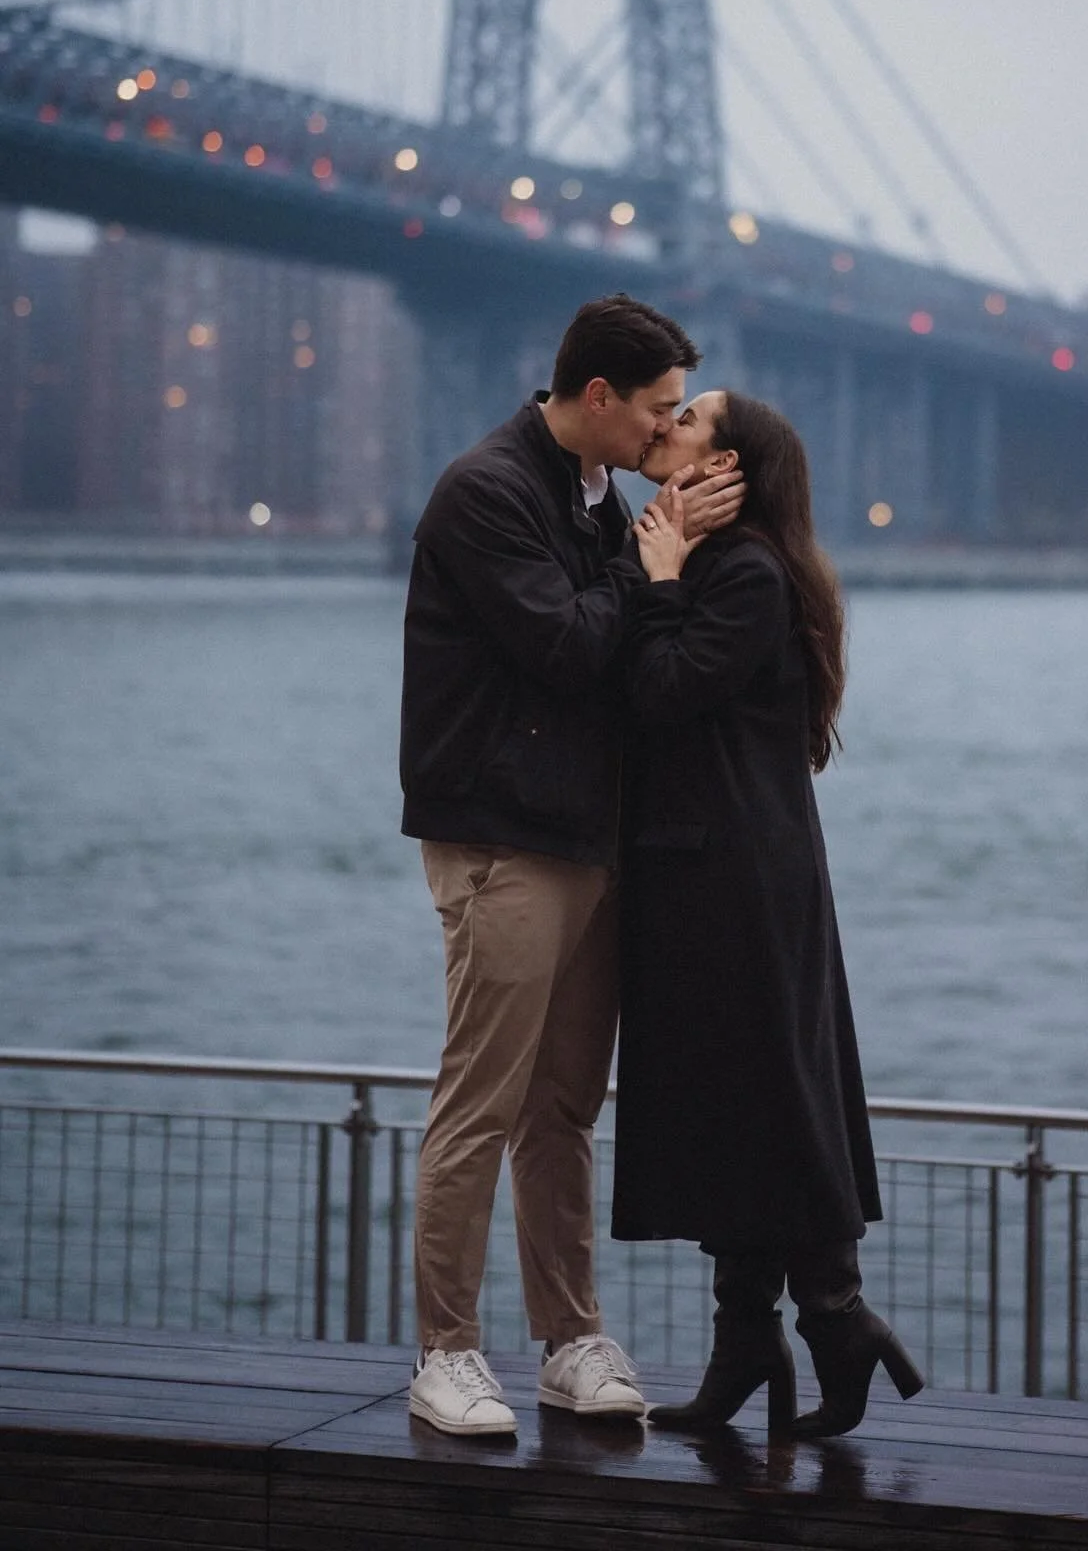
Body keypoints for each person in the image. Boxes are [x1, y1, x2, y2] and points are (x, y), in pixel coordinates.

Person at [400, 295, 741, 1437]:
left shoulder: (603, 500)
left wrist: (661, 536)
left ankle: (568, 1340)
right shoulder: (485, 491)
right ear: (597, 397)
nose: (666, 433)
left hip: (587, 839)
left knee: (561, 1112)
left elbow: (635, 660)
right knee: (480, 1107)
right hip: (503, 837)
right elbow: (567, 646)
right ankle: (446, 1354)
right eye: (657, 411)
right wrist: (659, 564)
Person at [611, 390, 923, 1438]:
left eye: (687, 418)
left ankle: (835, 1317)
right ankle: (751, 1340)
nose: (665, 425)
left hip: (733, 877)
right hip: (722, 870)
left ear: (730, 465)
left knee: (772, 1095)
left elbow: (660, 691)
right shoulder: (722, 561)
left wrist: (658, 577)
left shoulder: (740, 572)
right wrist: (656, 562)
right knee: (741, 1099)